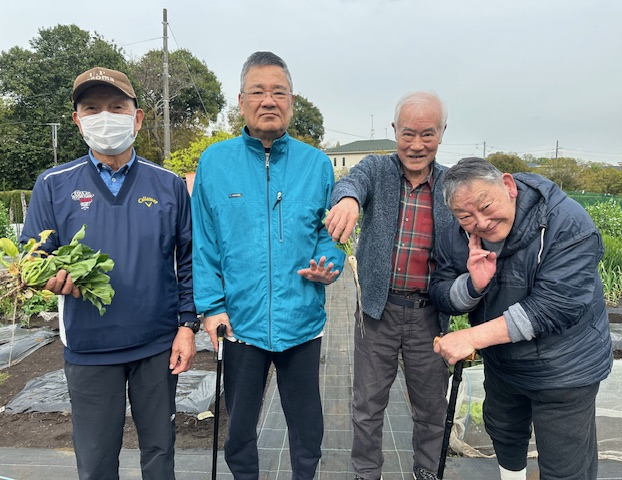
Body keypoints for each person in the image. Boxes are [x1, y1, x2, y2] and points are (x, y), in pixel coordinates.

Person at [20, 66, 197, 480]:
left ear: (137, 118)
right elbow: (32, 256)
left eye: (117, 107)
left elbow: (189, 261)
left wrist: (187, 326)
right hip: (89, 348)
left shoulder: (168, 184)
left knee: (160, 453)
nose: (105, 117)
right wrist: (45, 275)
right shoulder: (53, 184)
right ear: (77, 120)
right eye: (92, 108)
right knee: (96, 461)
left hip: (157, 345)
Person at [190, 51, 345, 480]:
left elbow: (329, 233)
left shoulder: (316, 164)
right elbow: (203, 241)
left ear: (291, 101)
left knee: (307, 427)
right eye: (258, 92)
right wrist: (211, 307)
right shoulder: (215, 162)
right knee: (239, 426)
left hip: (301, 319)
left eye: (279, 92)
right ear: (241, 101)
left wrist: (329, 264)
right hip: (240, 322)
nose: (269, 100)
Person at [429, 157, 613, 480]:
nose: (481, 222)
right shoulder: (458, 236)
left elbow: (553, 307)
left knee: (565, 462)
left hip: (564, 369)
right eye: (465, 216)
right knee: (504, 433)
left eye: (486, 206)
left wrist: (471, 337)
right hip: (503, 364)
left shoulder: (565, 222)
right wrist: (474, 286)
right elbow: (441, 292)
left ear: (508, 186)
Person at [325, 91, 453, 480]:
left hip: (429, 315)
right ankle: (367, 473)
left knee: (431, 407)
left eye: (427, 134)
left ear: (442, 133)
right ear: (395, 130)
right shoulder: (376, 169)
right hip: (378, 311)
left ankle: (427, 470)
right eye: (408, 133)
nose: (416, 145)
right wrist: (348, 200)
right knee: (367, 404)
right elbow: (352, 183)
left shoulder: (450, 184)